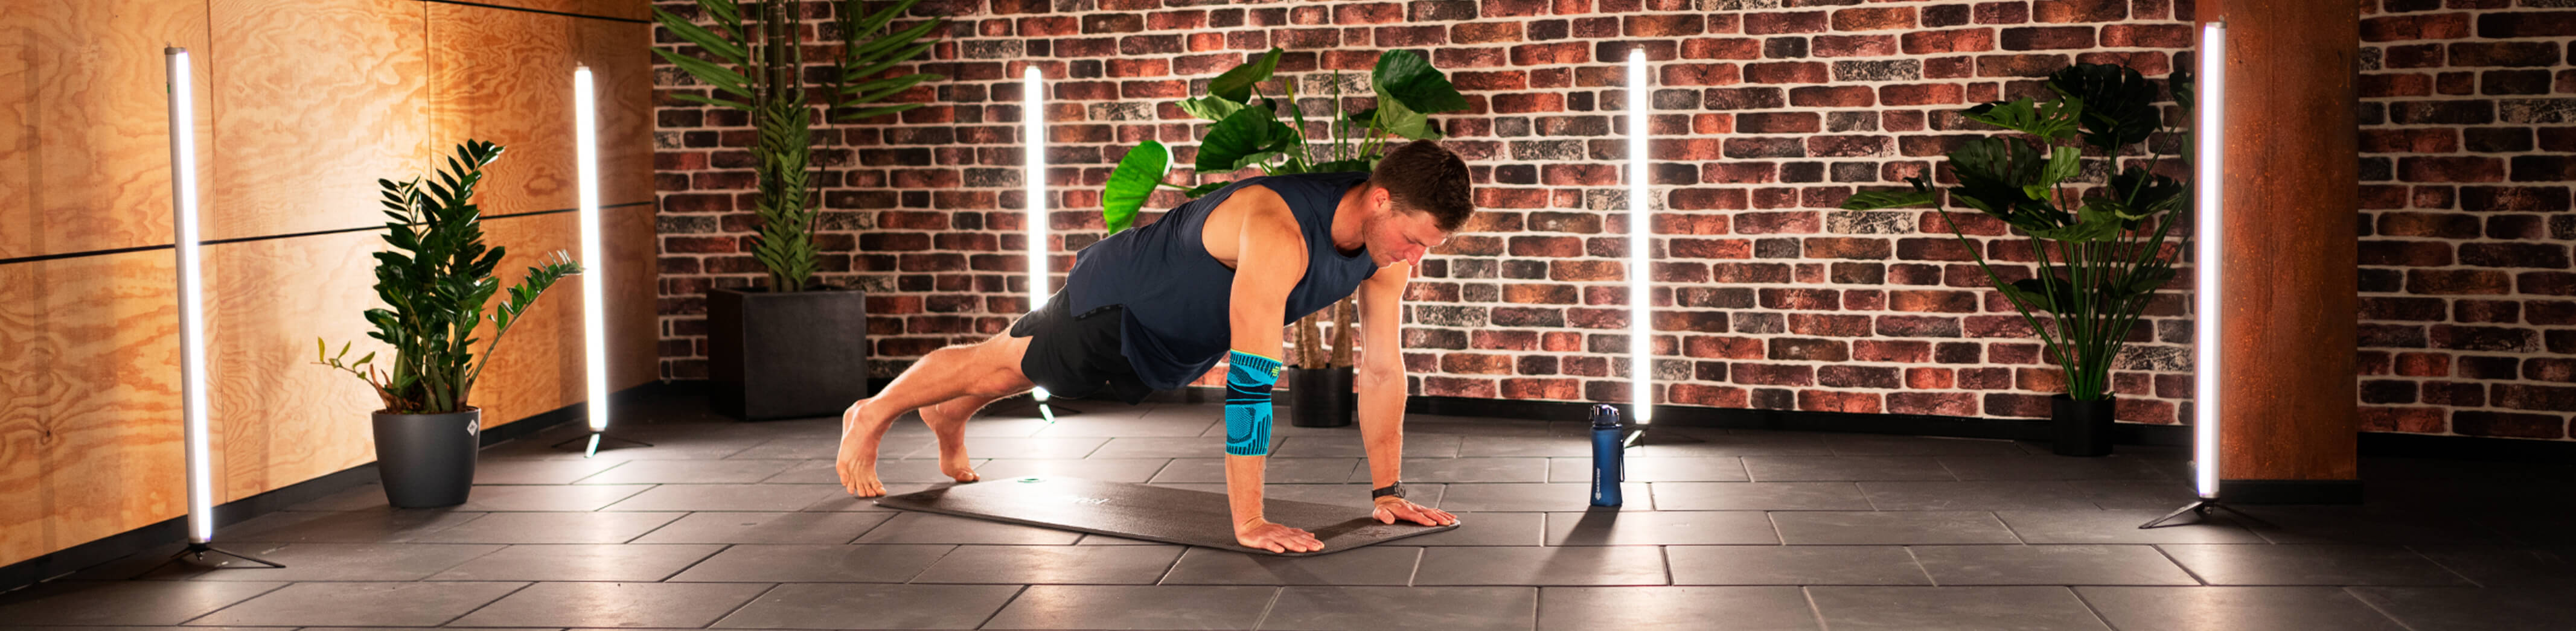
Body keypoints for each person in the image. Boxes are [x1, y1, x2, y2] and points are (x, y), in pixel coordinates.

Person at [834, 139, 1474, 553]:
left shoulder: (1388, 250)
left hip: (1175, 340)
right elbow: (1252, 375)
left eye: (1427, 247)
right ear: (1382, 199)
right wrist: (1248, 521)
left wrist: (1387, 490)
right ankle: (872, 413)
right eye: (1413, 239)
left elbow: (1385, 370)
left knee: (1014, 372)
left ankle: (948, 412)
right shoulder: (1278, 229)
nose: (1415, 257)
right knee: (1002, 360)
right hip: (1121, 302)